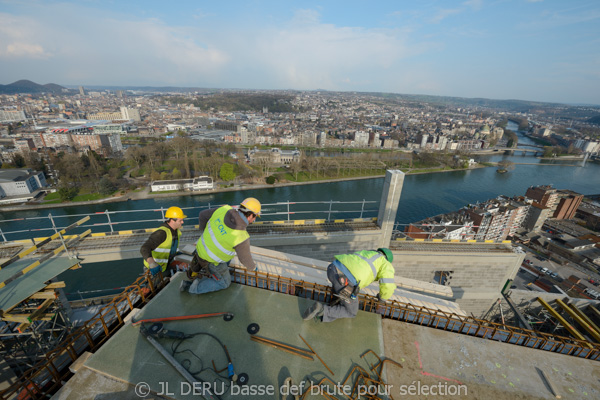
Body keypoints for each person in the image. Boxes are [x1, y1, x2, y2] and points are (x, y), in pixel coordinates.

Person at [180, 197, 261, 294]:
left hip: (200, 248)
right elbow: (245, 259)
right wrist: (253, 267)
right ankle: (195, 289)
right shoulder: (241, 237)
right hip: (212, 261)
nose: (254, 219)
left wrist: (204, 231)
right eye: (255, 216)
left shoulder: (224, 209)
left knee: (227, 255)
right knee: (225, 283)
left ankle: (191, 278)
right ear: (250, 215)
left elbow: (202, 215)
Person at [302, 248, 396, 323]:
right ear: (387, 259)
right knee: (351, 312)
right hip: (345, 281)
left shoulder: (367, 253)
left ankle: (333, 303)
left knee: (341, 293)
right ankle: (322, 310)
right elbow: (387, 285)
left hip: (332, 268)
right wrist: (382, 298)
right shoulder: (385, 264)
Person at [140, 206, 186, 276]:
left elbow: (170, 247)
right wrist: (152, 263)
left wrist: (177, 253)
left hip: (165, 266)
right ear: (172, 220)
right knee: (156, 286)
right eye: (180, 220)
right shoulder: (161, 233)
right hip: (153, 268)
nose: (182, 222)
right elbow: (144, 248)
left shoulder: (177, 232)